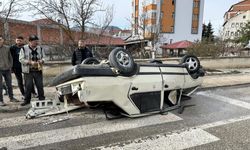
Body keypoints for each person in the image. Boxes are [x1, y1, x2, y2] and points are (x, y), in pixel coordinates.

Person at [19, 35, 45, 106]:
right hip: (28, 71)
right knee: (28, 86)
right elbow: (21, 59)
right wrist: (30, 62)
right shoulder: (24, 49)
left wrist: (41, 61)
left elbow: (44, 57)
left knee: (40, 85)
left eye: (37, 41)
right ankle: (27, 100)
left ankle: (42, 99)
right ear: (30, 42)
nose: (36, 43)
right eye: (34, 42)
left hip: (38, 70)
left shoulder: (40, 48)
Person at [0, 35, 19, 106]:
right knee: (0, 86)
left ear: (3, 40)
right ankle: (1, 100)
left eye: (0, 39)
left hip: (7, 69)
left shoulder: (7, 48)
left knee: (9, 84)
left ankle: (11, 97)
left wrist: (10, 66)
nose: (0, 41)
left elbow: (10, 58)